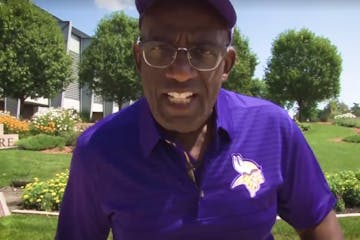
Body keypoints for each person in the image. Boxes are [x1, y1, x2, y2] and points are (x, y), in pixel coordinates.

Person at [56, 0, 344, 239]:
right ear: (139, 58)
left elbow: (318, 222)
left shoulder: (272, 127)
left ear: (226, 64)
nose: (180, 72)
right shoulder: (99, 150)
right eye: (160, 49)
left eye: (204, 52)